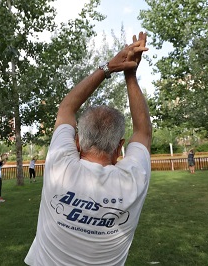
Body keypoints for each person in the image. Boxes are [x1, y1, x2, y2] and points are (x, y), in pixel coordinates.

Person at [25, 32, 152, 265]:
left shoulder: (59, 167)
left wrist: (109, 67)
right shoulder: (134, 180)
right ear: (119, 147)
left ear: (77, 142)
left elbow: (66, 108)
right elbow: (143, 133)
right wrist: (131, 75)